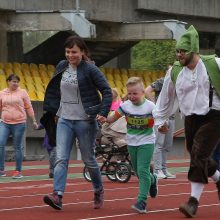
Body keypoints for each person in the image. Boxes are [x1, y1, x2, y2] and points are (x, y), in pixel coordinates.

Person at [153, 25, 220, 218]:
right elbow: (165, 99)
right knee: (199, 156)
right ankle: (218, 178)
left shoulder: (214, 64)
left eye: (183, 51)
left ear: (194, 51)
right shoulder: (175, 72)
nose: (179, 54)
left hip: (214, 115)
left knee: (198, 154)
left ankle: (193, 202)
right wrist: (161, 120)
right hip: (190, 118)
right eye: (177, 51)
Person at [43, 35, 112, 211]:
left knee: (89, 160)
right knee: (61, 158)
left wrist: (102, 113)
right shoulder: (61, 66)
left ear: (82, 52)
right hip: (65, 119)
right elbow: (54, 89)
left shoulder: (90, 69)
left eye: (74, 52)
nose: (70, 55)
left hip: (85, 121)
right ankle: (57, 195)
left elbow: (106, 91)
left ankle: (98, 189)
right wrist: (53, 111)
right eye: (67, 52)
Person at [105, 77, 158, 214]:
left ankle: (141, 202)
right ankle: (153, 180)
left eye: (135, 93)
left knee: (142, 170)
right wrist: (104, 118)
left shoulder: (151, 107)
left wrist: (164, 126)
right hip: (132, 142)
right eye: (129, 93)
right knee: (140, 173)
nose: (132, 96)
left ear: (142, 92)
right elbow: (113, 118)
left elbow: (161, 119)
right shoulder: (125, 106)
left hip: (147, 142)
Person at [0, 73, 38, 178]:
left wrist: (34, 120)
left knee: (17, 147)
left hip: (19, 123)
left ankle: (18, 171)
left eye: (17, 82)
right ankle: (1, 170)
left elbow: (29, 107)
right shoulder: (2, 93)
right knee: (1, 144)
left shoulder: (23, 92)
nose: (15, 83)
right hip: (5, 123)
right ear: (8, 82)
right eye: (13, 81)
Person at [145, 73, 176, 179]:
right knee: (159, 143)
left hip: (171, 117)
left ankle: (163, 168)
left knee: (167, 145)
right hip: (161, 117)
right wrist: (155, 106)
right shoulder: (162, 81)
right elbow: (147, 90)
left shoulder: (179, 82)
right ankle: (157, 170)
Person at [36, 111, 57, 178]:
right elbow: (43, 124)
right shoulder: (49, 117)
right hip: (49, 140)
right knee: (52, 156)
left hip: (57, 140)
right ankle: (52, 170)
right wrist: (37, 126)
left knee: (53, 156)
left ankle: (53, 171)